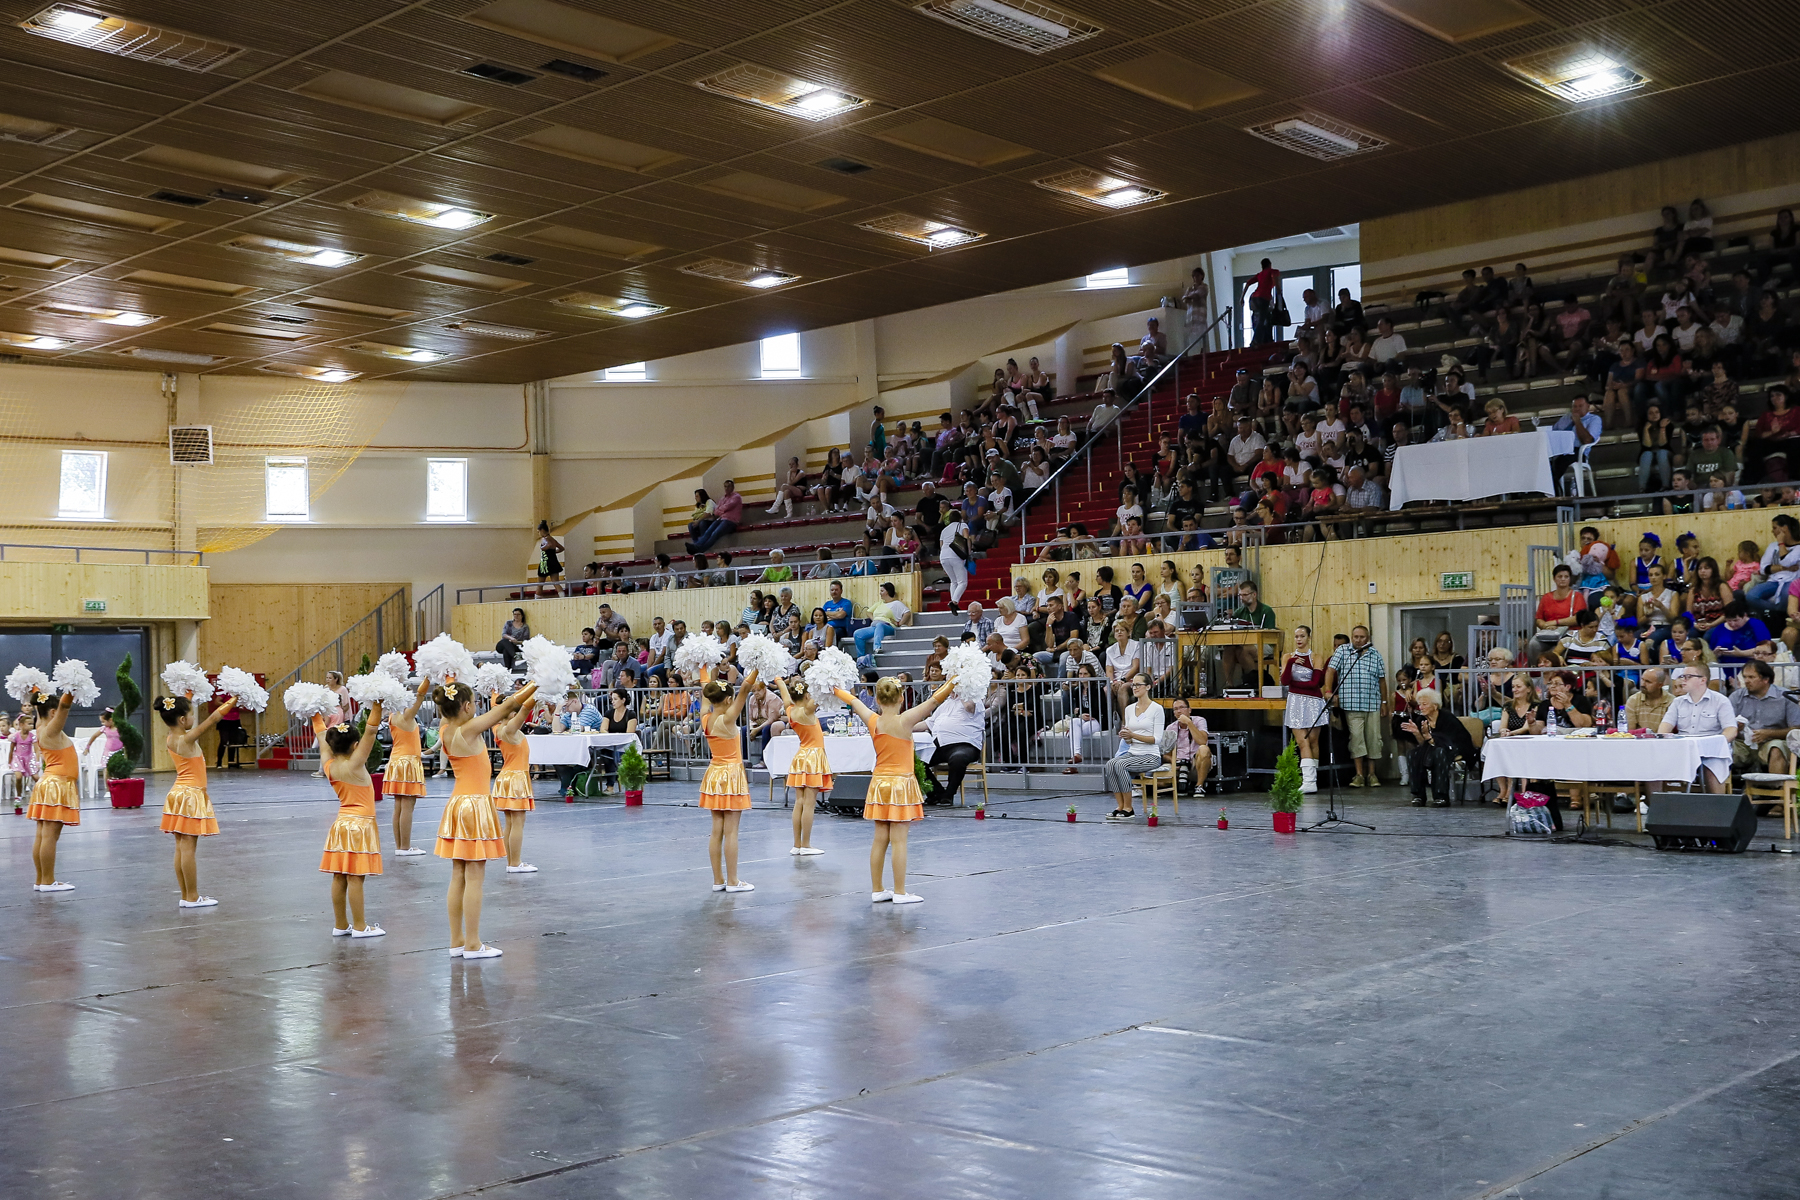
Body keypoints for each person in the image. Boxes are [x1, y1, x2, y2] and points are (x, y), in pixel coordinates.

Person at [434, 676, 535, 958]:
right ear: (466, 706)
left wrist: (450, 679)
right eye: (473, 703)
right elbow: (507, 707)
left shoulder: (445, 729)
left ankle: (457, 940)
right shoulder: (468, 730)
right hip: (474, 805)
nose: (477, 708)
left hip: (457, 803)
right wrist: (538, 681)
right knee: (475, 877)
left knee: (458, 874)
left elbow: (451, 704)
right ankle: (473, 943)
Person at [835, 676, 957, 904]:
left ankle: (877, 889)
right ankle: (900, 891)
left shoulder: (872, 719)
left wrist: (833, 688)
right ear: (901, 698)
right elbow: (934, 701)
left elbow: (852, 700)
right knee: (899, 840)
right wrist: (952, 682)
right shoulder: (906, 720)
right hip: (900, 785)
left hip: (880, 784)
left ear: (877, 700)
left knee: (880, 838)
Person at [315, 705, 386, 938]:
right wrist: (378, 704)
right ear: (356, 746)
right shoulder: (356, 764)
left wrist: (314, 713)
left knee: (339, 876)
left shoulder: (329, 765)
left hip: (341, 824)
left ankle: (340, 924)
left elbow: (321, 735)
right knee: (356, 877)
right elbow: (371, 731)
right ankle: (360, 926)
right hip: (360, 825)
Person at [156, 690, 229, 907]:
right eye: (190, 714)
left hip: (177, 794)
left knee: (181, 846)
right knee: (188, 848)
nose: (193, 718)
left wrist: (189, 692)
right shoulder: (187, 739)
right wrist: (234, 699)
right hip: (190, 795)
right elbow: (213, 719)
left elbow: (181, 710)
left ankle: (186, 896)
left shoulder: (171, 738)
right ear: (182, 719)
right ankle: (193, 896)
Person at [697, 665, 761, 893]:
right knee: (731, 831)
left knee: (717, 830)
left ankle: (718, 880)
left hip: (714, 774)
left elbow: (705, 688)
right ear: (727, 700)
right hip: (731, 775)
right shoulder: (728, 719)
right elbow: (745, 689)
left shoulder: (705, 717)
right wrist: (758, 667)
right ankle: (733, 881)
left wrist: (703, 667)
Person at [24, 685, 78, 893]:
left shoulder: (40, 726)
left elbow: (43, 703)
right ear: (53, 713)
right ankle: (48, 881)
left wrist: (34, 688)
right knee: (49, 836)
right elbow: (64, 707)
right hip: (57, 784)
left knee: (42, 834)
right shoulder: (51, 729)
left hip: (48, 783)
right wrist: (72, 686)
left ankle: (41, 880)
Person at [1324, 625, 1388, 788]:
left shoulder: (1375, 654)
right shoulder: (1343, 651)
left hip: (1372, 703)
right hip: (1351, 703)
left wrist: (1384, 702)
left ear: (1368, 638)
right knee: (1356, 738)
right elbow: (1330, 670)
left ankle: (1372, 774)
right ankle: (1359, 775)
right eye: (1356, 637)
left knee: (1374, 739)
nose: (1358, 640)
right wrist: (1328, 691)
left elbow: (1382, 680)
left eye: (1362, 637)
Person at [1658, 665, 1738, 792]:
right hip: (1683, 749)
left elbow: (1731, 730)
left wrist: (1716, 743)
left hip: (1712, 752)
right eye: (1682, 676)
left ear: (1702, 680)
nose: (1683, 680)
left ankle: (1718, 803)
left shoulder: (1720, 701)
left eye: (1688, 677)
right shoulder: (1677, 702)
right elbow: (1664, 728)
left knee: (1713, 767)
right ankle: (1655, 801)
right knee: (1654, 764)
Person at [489, 678, 540, 875]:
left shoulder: (498, 728)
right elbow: (524, 710)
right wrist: (538, 689)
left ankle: (512, 862)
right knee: (517, 823)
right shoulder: (509, 729)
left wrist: (495, 690)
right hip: (515, 778)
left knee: (511, 823)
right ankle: (515, 862)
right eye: (513, 710)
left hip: (507, 776)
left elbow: (498, 702)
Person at [778, 678, 831, 856]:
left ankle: (797, 844)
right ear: (807, 696)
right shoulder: (807, 711)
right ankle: (806, 845)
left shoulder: (790, 710)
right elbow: (819, 696)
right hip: (813, 757)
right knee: (809, 803)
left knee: (799, 802)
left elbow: (784, 692)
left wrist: (778, 679)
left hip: (801, 756)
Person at [1399, 688, 1477, 807]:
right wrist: (1417, 733)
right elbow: (1423, 744)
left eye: (1425, 704)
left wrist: (1429, 737)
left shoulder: (1447, 718)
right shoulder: (1421, 719)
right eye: (1420, 704)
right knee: (1413, 754)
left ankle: (1441, 797)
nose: (1421, 707)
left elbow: (1448, 742)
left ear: (1435, 706)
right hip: (1432, 748)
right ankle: (1418, 795)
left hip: (1456, 748)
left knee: (1439, 753)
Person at [1103, 675, 1165, 819]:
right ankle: (1120, 806)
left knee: (1121, 765)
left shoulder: (1156, 709)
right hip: (1133, 751)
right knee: (1110, 764)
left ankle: (1129, 808)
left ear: (1148, 687)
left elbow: (1156, 739)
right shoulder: (1129, 709)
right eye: (1133, 685)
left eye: (1138, 685)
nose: (1135, 688)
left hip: (1150, 755)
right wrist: (1127, 736)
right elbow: (1130, 740)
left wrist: (1133, 735)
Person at [1728, 660, 1800, 776]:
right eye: (1745, 677)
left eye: (1751, 677)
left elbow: (1795, 729)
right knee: (1723, 747)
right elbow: (1725, 725)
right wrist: (1734, 727)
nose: (1746, 681)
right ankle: (1719, 786)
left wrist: (1769, 734)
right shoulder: (1736, 696)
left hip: (1772, 741)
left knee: (1776, 747)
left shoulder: (1785, 697)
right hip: (1742, 743)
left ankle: (1777, 786)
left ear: (1765, 679)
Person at [384, 678, 431, 855]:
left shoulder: (392, 715)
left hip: (395, 760)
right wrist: (428, 677)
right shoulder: (406, 715)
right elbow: (421, 695)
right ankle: (404, 847)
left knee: (399, 805)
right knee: (407, 806)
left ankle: (400, 846)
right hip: (408, 762)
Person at [1281, 625, 1329, 793]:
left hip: (1313, 701)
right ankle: (1308, 780)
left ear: (1309, 637)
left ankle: (1313, 779)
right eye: (1296, 636)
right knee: (1303, 741)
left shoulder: (1316, 657)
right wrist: (1291, 663)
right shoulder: (1287, 657)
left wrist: (1295, 685)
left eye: (1302, 636)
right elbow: (1284, 681)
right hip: (1295, 702)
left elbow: (1315, 683)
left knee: (1313, 741)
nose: (1299, 639)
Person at [854, 581, 911, 661]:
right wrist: (875, 619)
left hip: (888, 627)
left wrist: (900, 623)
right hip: (875, 627)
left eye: (882, 591)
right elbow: (868, 612)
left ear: (887, 592)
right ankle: (861, 659)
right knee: (857, 634)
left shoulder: (896, 603)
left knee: (880, 625)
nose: (880, 593)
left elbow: (907, 613)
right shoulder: (879, 603)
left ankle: (877, 648)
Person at [685, 479, 744, 553]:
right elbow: (716, 511)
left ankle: (701, 549)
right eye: (725, 486)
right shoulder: (723, 498)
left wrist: (721, 510)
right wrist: (721, 510)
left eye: (728, 486)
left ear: (733, 487)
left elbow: (727, 506)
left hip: (730, 521)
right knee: (708, 532)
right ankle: (696, 545)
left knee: (715, 533)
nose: (726, 488)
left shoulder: (736, 497)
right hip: (721, 519)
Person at [1168, 699, 1211, 796]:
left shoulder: (1199, 720)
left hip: (1196, 764)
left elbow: (1202, 741)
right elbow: (1166, 754)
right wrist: (1173, 760)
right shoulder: (1171, 728)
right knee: (1159, 782)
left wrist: (1189, 723)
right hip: (1179, 766)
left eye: (1182, 708)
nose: (1179, 711)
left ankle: (1199, 786)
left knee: (1204, 749)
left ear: (1189, 710)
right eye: (1175, 709)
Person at [1624, 667, 1673, 732]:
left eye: (1648, 682)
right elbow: (1630, 731)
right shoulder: (1633, 700)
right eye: (1642, 680)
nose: (1642, 684)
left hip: (1664, 737)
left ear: (1660, 685)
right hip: (1639, 738)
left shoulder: (1672, 701)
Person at [535, 521, 564, 585]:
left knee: (540, 584)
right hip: (554, 562)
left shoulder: (544, 539)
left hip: (545, 564)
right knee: (556, 583)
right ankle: (561, 592)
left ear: (542, 530)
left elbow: (548, 544)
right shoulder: (552, 539)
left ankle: (538, 593)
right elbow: (562, 548)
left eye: (538, 532)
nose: (539, 534)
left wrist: (543, 547)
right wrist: (553, 552)